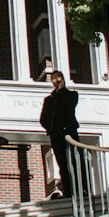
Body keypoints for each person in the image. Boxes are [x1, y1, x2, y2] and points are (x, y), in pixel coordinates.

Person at [39, 69, 79, 197]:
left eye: (58, 78)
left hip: (70, 131)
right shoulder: (49, 99)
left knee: (75, 160)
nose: (56, 81)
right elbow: (43, 118)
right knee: (62, 163)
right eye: (53, 79)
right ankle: (68, 191)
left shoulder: (72, 94)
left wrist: (62, 90)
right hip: (56, 134)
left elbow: (70, 105)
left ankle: (80, 189)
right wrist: (51, 129)